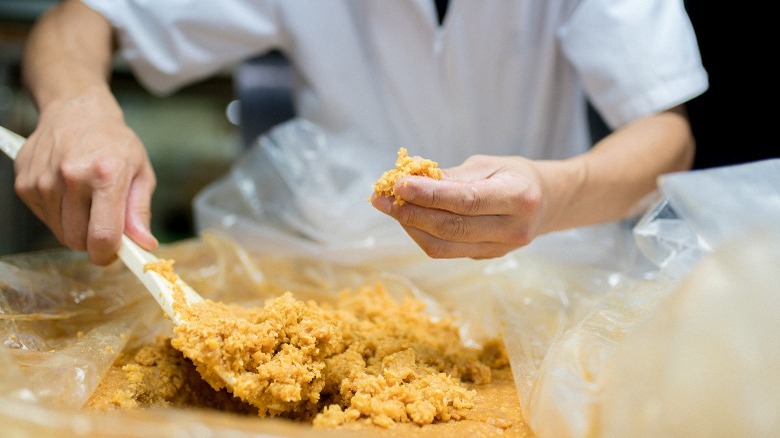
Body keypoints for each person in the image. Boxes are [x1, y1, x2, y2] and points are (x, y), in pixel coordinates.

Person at [16, 0, 708, 265]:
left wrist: (559, 193)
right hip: (339, 271)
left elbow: (664, 132)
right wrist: (78, 103)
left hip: (552, 269)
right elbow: (78, 19)